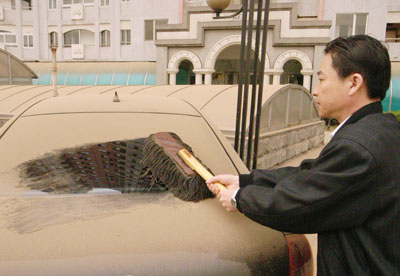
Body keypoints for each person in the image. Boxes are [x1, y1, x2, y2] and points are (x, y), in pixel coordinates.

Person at [207, 35, 400, 276]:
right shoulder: (382, 129)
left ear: (353, 83)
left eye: (321, 79)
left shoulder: (358, 147)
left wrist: (239, 198)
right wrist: (247, 180)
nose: (315, 91)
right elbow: (312, 173)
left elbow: (301, 203)